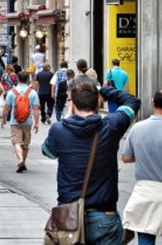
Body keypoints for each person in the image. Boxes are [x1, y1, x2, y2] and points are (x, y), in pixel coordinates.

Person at [42, 84, 140, 244]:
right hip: (104, 216)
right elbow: (133, 102)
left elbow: (48, 152)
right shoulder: (111, 126)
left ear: (72, 104)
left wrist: (67, 117)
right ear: (97, 104)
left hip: (69, 215)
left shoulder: (58, 130)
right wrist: (103, 90)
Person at [122, 90, 162, 244]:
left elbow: (126, 157)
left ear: (152, 102)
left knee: (145, 235)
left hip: (145, 192)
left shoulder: (137, 128)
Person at [1, 71, 40, 173]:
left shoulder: (12, 92)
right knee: (26, 144)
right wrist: (37, 123)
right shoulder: (32, 93)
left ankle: (20, 160)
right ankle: (24, 162)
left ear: (17, 79)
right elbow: (36, 109)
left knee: (17, 142)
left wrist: (4, 119)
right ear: (28, 80)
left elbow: (6, 108)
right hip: (27, 122)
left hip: (15, 121)